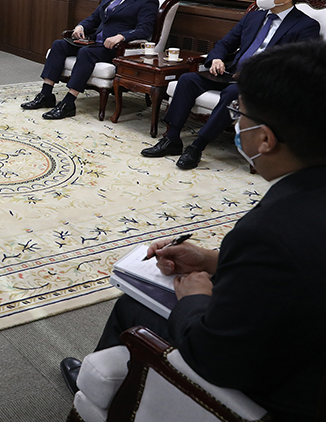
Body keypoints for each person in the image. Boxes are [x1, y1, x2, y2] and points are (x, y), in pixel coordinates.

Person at [60, 41, 326, 421]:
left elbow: (217, 356)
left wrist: (195, 300)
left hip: (279, 394)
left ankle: (103, 390)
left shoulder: (271, 229)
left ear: (266, 139)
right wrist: (211, 260)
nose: (236, 125)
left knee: (132, 306)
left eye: (240, 115)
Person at [141, 0, 320, 169]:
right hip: (230, 73)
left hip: (261, 83)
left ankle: (197, 147)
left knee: (233, 93)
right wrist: (216, 59)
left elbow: (297, 65)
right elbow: (225, 43)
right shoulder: (254, 17)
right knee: (187, 80)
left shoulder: (306, 26)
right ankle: (172, 139)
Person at [21, 0, 158, 119]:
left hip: (114, 48)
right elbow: (94, 18)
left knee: (86, 53)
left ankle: (69, 102)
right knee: (59, 45)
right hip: (94, 41)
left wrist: (121, 36)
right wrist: (81, 26)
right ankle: (46, 95)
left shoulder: (147, 1)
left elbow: (145, 29)